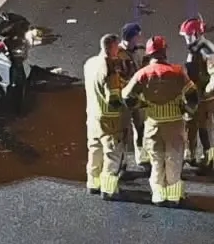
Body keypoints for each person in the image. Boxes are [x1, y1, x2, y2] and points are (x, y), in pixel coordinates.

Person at [123, 34, 200, 207]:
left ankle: (158, 195)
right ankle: (173, 196)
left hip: (153, 124)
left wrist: (141, 104)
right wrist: (187, 111)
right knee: (174, 158)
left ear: (149, 53)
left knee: (157, 160)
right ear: (165, 52)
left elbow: (126, 96)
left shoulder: (142, 74)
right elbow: (193, 96)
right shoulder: (178, 72)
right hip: (174, 123)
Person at [82, 34, 128, 200]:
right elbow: (113, 97)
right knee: (112, 153)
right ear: (114, 47)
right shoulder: (110, 66)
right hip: (110, 118)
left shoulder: (90, 63)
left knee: (95, 149)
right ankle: (108, 189)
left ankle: (93, 183)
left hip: (93, 115)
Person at [179, 17, 214, 173]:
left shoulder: (206, 50)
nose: (186, 39)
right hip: (198, 95)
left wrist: (208, 94)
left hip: (207, 99)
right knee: (192, 124)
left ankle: (210, 160)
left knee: (206, 129)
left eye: (187, 36)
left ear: (195, 34)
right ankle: (191, 154)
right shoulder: (197, 48)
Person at [118, 23, 147, 169]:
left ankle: (142, 156)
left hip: (138, 95)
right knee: (123, 131)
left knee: (140, 126)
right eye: (137, 36)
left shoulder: (139, 50)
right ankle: (121, 161)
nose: (138, 39)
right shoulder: (118, 54)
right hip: (124, 96)